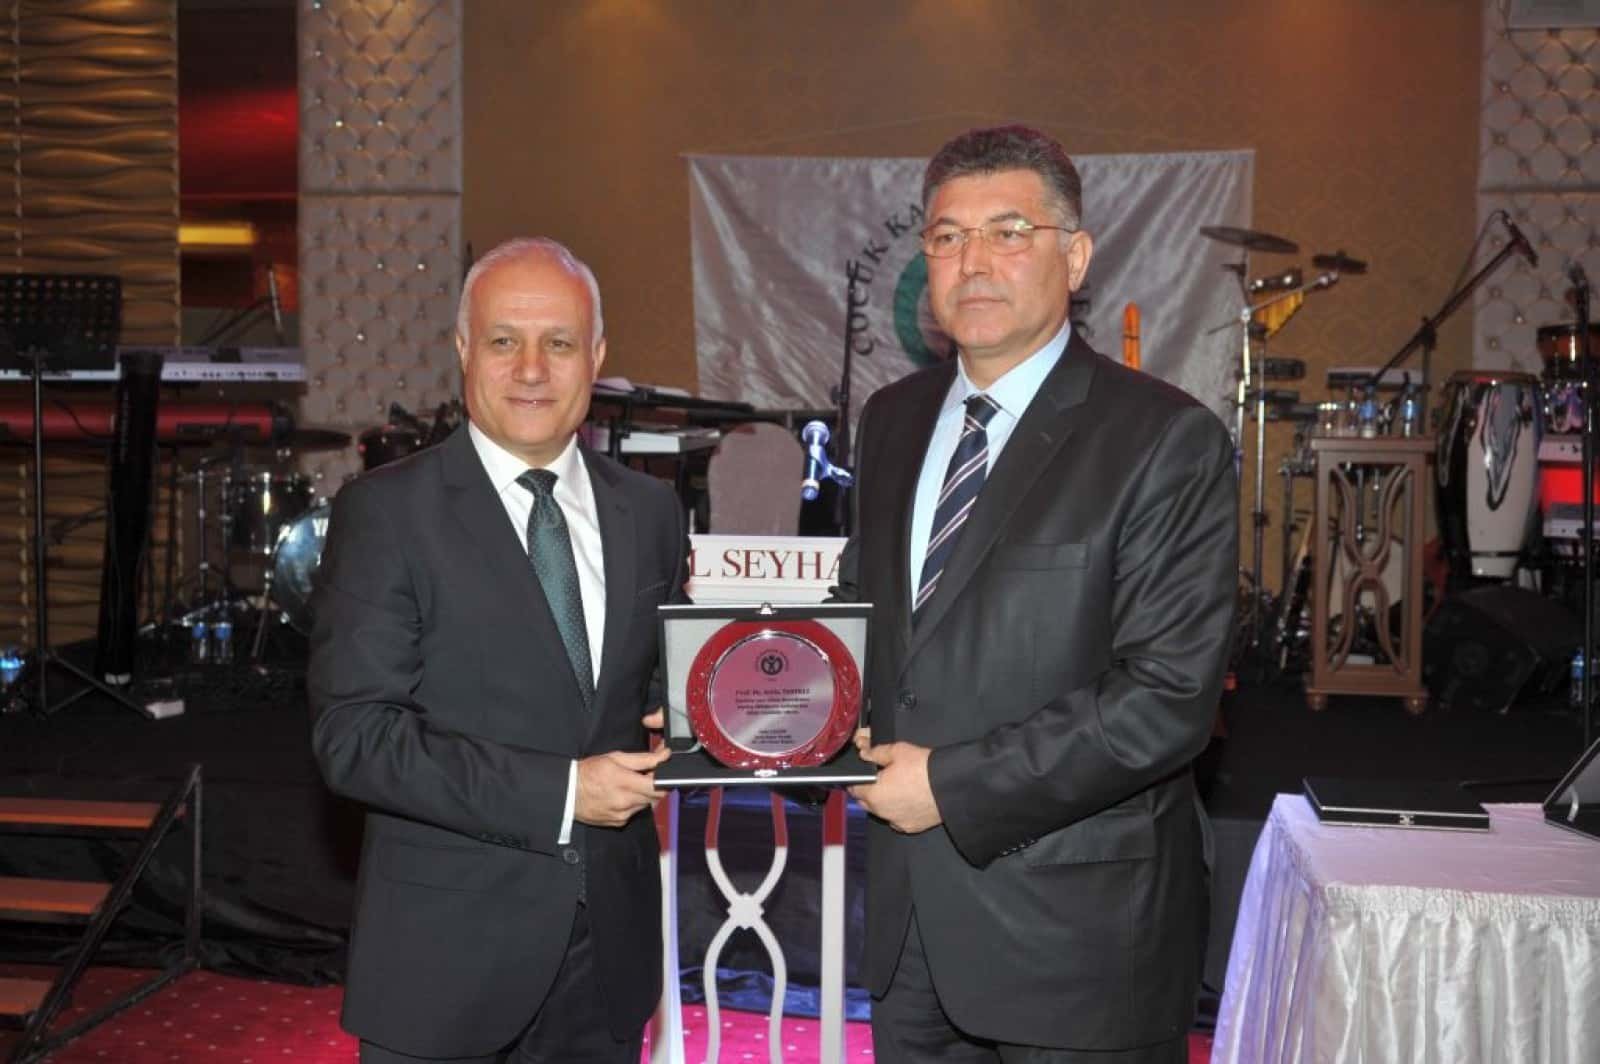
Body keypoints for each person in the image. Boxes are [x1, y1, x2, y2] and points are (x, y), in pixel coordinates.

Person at [839, 125, 1238, 1062]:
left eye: (1009, 232)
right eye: (948, 236)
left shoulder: (1162, 439)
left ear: (1076, 256)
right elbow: (868, 626)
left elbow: (1166, 700)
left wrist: (949, 786)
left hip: (1078, 944)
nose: (973, 262)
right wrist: (743, 708)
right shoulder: (890, 421)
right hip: (911, 936)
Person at [309, 237, 688, 1063]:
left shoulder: (652, 513)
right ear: (462, 349)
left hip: (607, 963)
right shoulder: (386, 514)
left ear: (597, 357)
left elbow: (660, 691)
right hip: (445, 965)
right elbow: (356, 740)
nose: (531, 370)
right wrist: (565, 792)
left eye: (559, 343)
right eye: (504, 340)